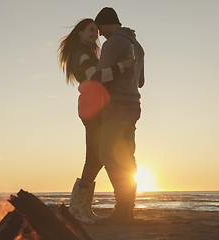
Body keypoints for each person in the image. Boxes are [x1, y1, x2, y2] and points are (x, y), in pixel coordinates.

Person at [58, 18, 135, 223]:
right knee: (95, 156)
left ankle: (80, 208)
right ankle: (77, 209)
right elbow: (94, 77)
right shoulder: (81, 54)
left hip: (92, 107)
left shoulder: (86, 53)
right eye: (91, 30)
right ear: (80, 33)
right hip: (92, 108)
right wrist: (122, 66)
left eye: (96, 30)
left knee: (97, 156)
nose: (95, 33)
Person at [94, 7, 145, 223]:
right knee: (126, 157)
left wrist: (116, 69)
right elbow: (141, 81)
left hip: (116, 106)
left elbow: (99, 76)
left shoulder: (112, 43)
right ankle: (128, 210)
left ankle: (122, 205)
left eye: (100, 29)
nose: (100, 34)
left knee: (107, 154)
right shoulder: (137, 45)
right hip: (134, 105)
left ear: (105, 24)